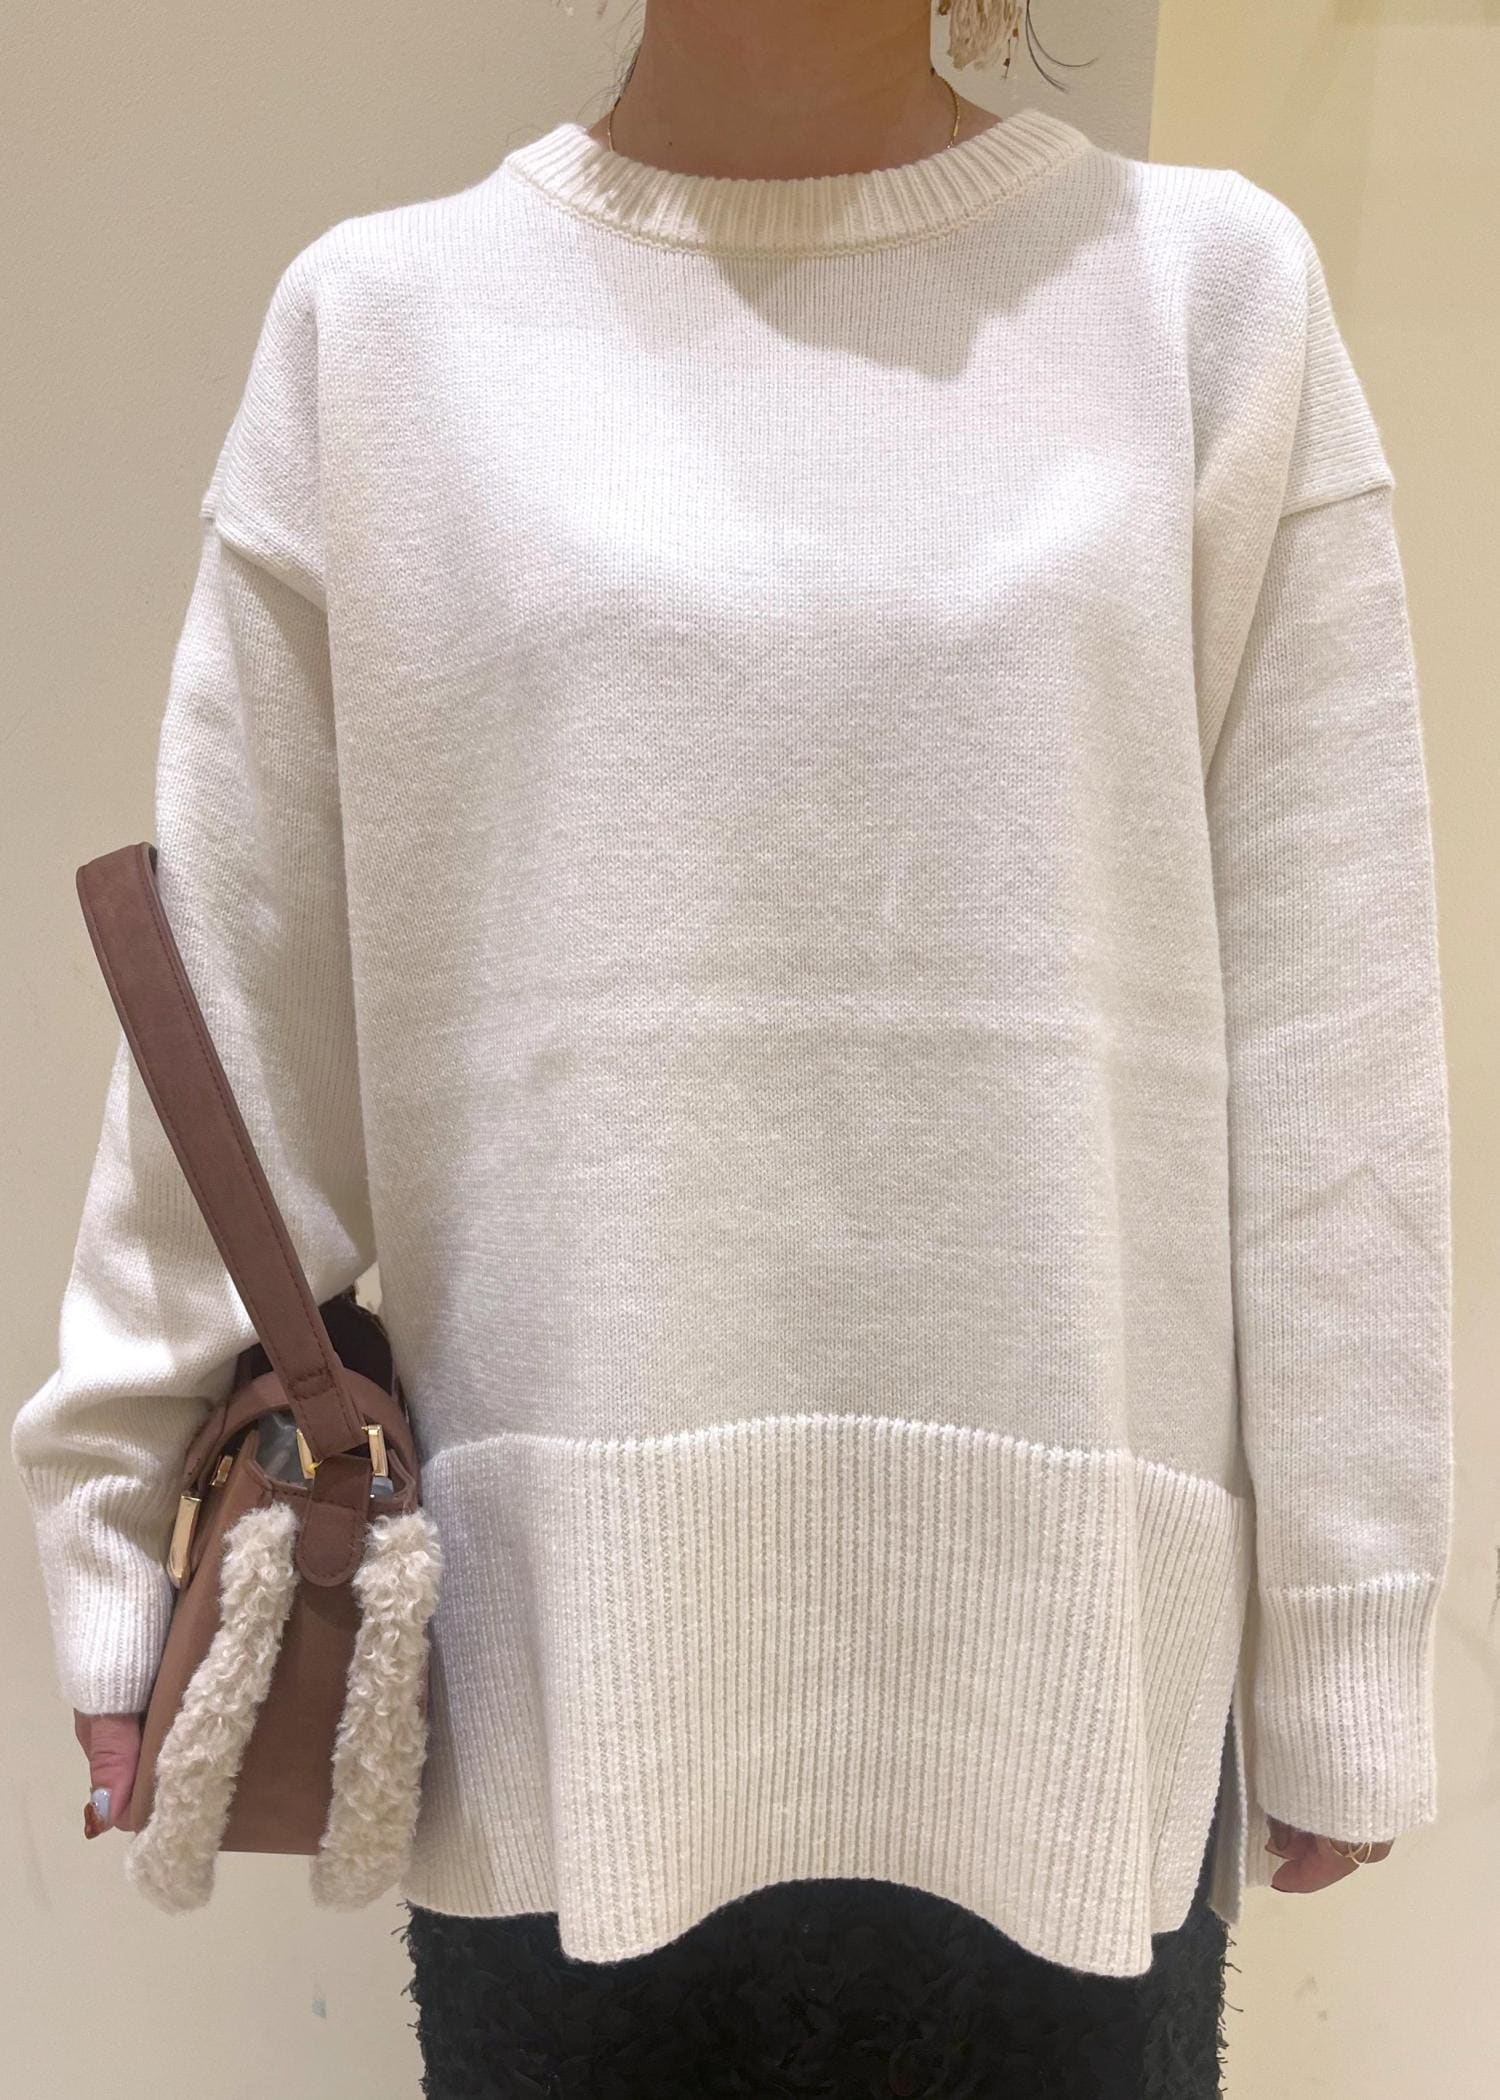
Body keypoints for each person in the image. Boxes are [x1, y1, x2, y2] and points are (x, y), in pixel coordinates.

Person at [12, 0, 1451, 2094]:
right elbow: (237, 1008)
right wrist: (109, 1517)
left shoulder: (1208, 301)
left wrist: (1346, 1617)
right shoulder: (386, 333)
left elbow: (1333, 1037)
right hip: (565, 1693)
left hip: (1066, 1693)